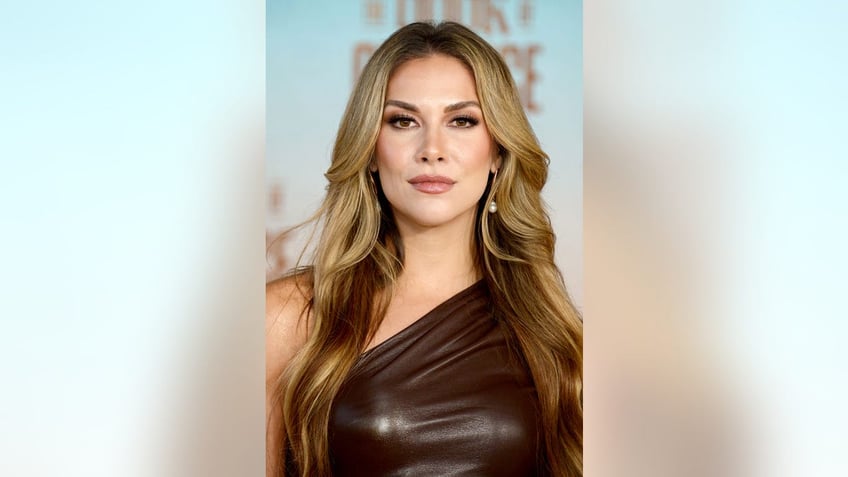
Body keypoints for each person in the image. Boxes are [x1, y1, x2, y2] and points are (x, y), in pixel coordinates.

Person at [266, 21, 582, 477]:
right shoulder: (289, 318)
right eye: (403, 121)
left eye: (462, 121)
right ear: (371, 152)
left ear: (497, 153)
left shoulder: (552, 333)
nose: (432, 149)